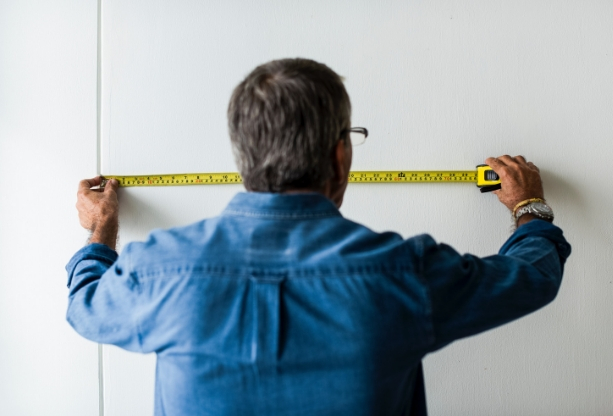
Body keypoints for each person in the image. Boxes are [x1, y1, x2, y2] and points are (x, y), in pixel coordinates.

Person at [67, 58, 571, 416]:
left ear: (243, 157)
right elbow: (530, 277)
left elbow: (85, 303)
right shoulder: (403, 272)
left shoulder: (159, 269)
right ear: (340, 157)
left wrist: (102, 227)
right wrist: (529, 207)